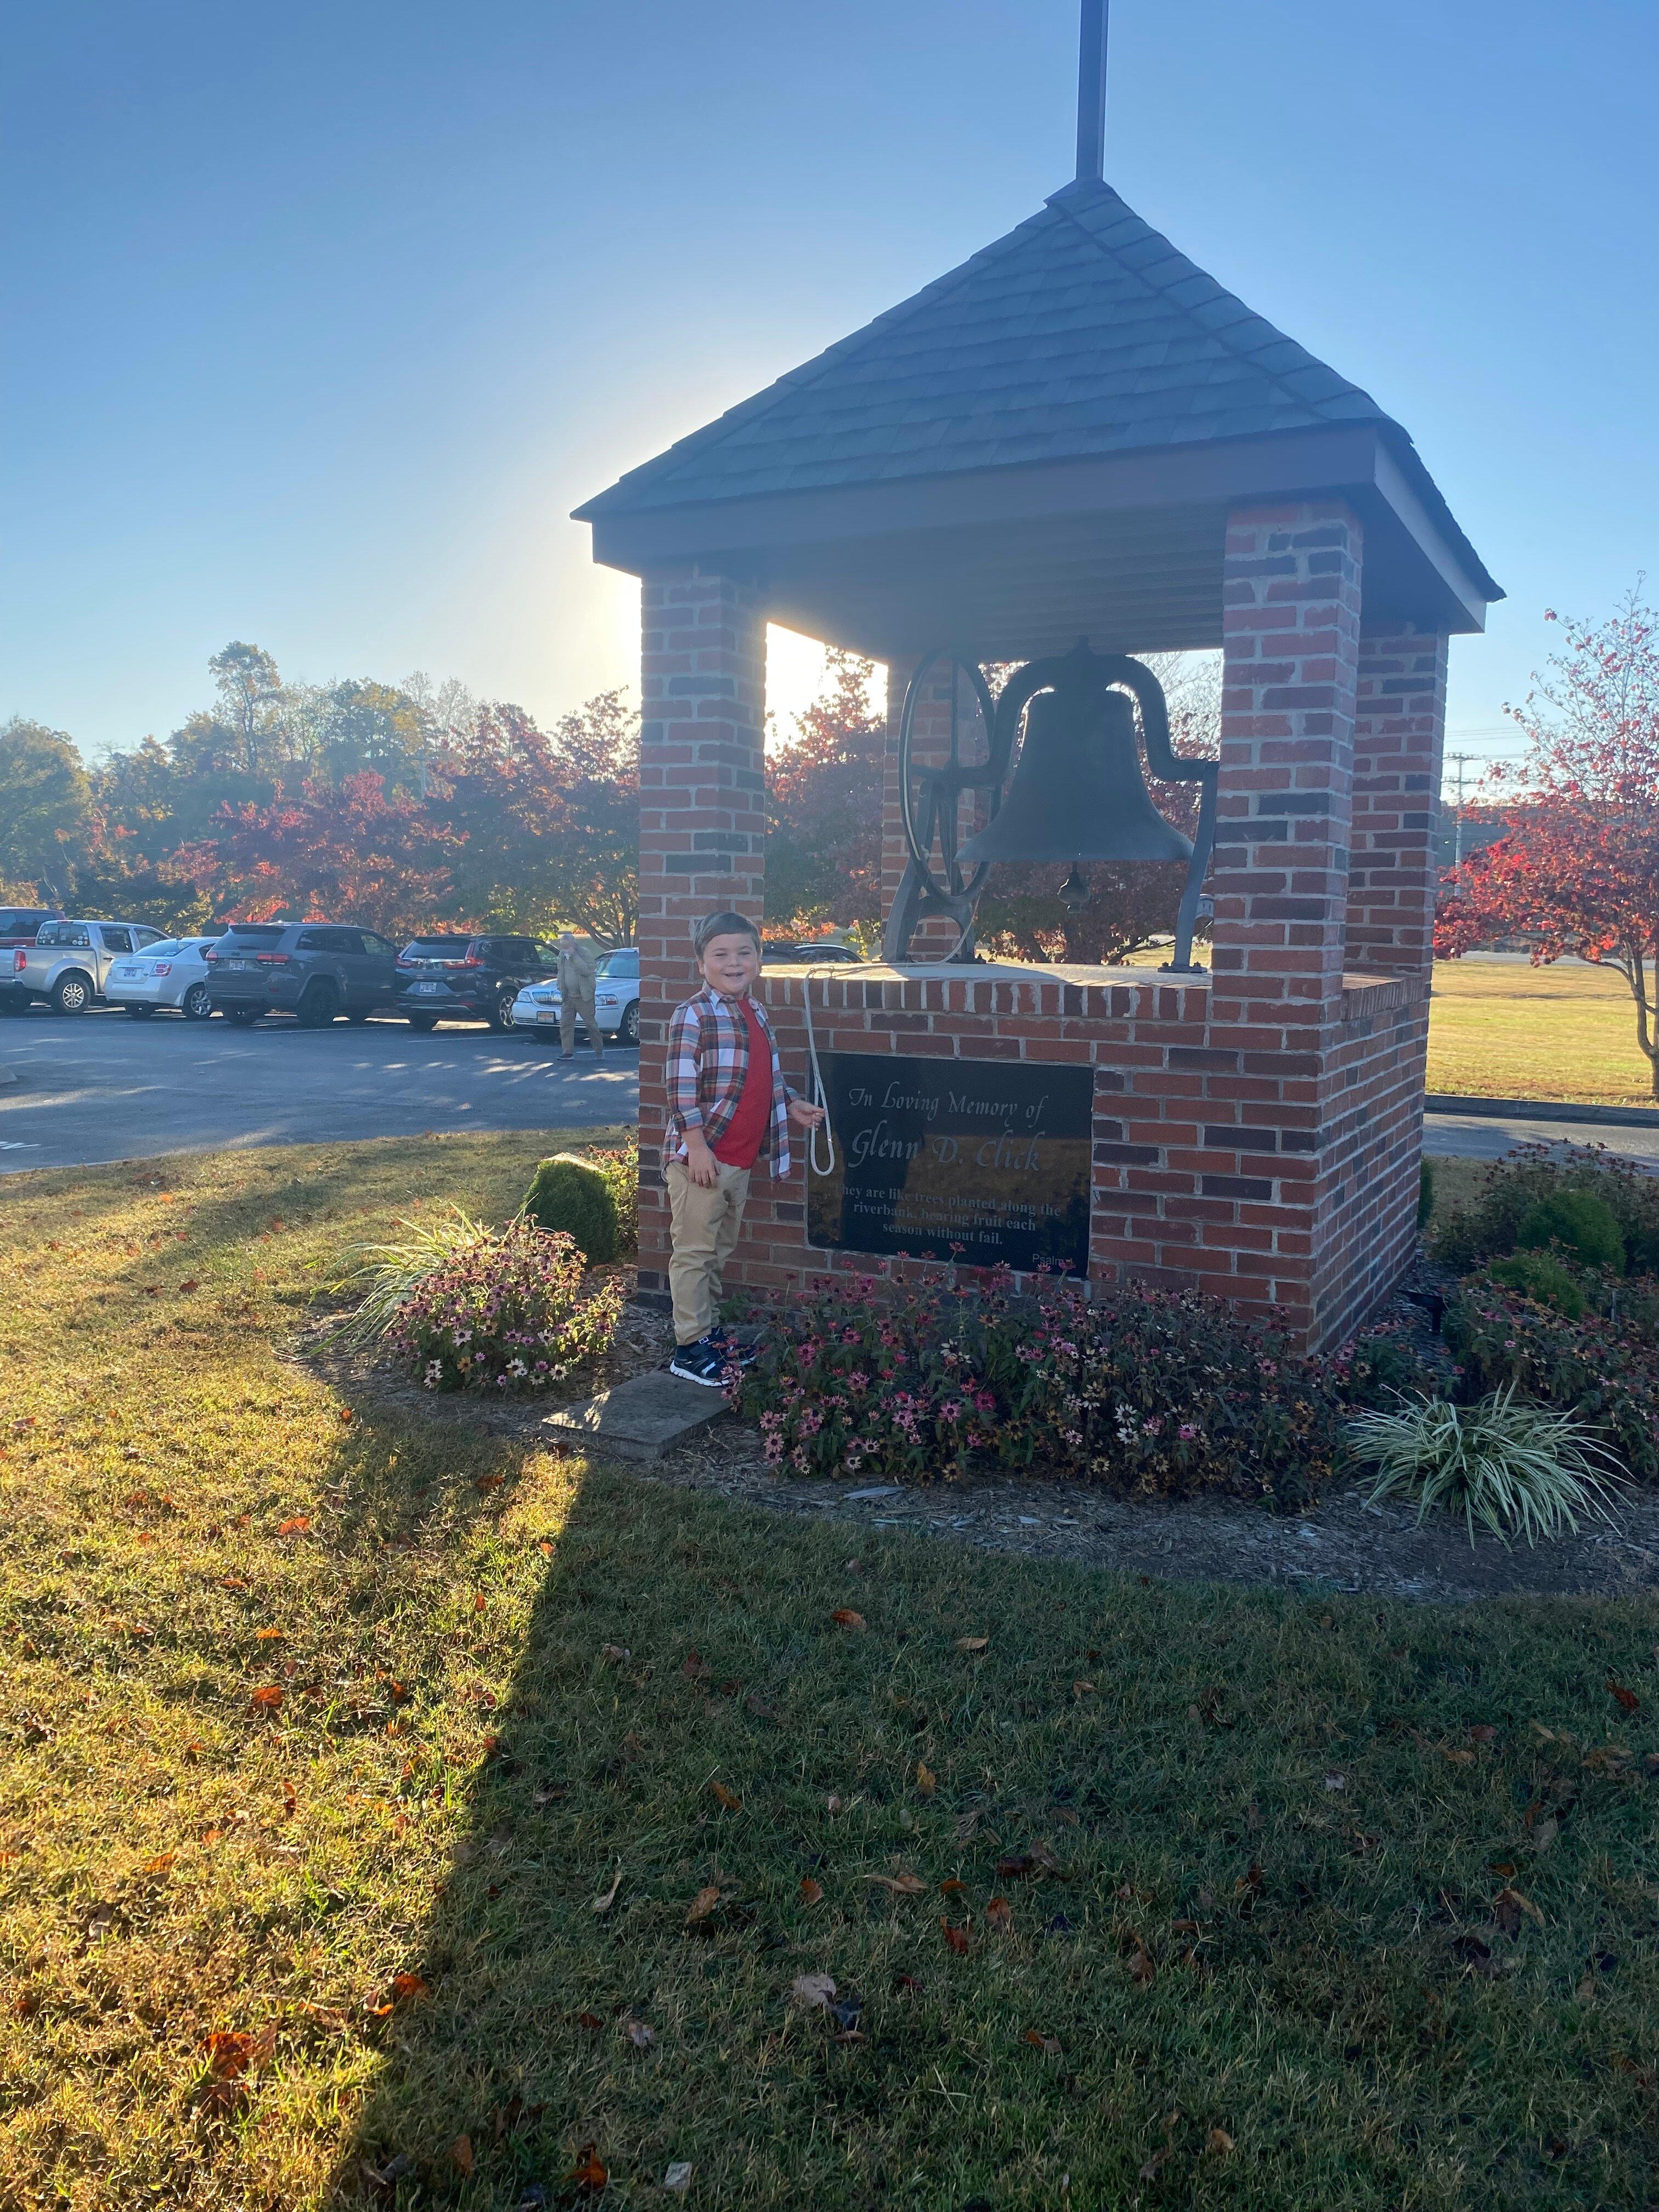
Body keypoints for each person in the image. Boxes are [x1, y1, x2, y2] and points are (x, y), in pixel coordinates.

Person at [663, 910, 825, 1386]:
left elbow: (765, 1078)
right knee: (693, 1253)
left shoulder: (756, 1012)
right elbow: (679, 1086)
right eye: (721, 955)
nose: (734, 962)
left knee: (717, 1250)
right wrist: (696, 1148)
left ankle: (709, 1334)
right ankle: (689, 1349)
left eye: (744, 953)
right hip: (702, 1160)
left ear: (758, 959)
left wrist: (791, 1104)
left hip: (739, 1160)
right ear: (701, 964)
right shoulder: (693, 1013)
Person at [556, 932, 602, 1061]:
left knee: (591, 1025)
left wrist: (575, 957)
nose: (565, 950)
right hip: (568, 997)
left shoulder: (584, 953)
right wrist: (560, 985)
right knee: (565, 1024)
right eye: (563, 947)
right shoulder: (561, 955)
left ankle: (599, 1050)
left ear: (574, 943)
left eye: (567, 947)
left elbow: (588, 971)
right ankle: (568, 1052)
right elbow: (561, 972)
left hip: (583, 997)